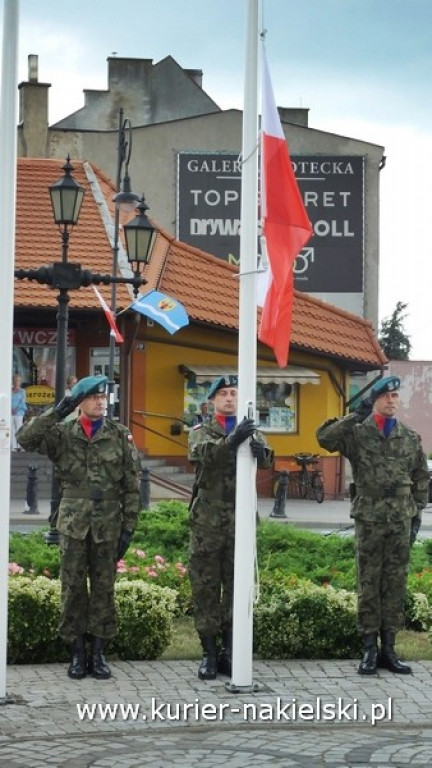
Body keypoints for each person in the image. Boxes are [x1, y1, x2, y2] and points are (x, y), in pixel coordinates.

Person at [17, 375, 141, 681]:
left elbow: (131, 486)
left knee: (103, 590)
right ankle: (76, 654)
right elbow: (26, 438)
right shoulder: (62, 434)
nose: (101, 402)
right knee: (72, 589)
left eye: (104, 397)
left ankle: (98, 654)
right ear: (80, 402)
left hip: (108, 524)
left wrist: (128, 528)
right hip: (73, 524)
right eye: (94, 397)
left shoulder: (119, 435)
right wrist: (57, 411)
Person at [316, 375, 429, 676]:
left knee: (394, 583)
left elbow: (421, 476)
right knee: (369, 583)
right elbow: (324, 438)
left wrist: (415, 511)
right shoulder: (357, 433)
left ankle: (389, 650)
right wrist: (357, 413)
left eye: (395, 396)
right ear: (375, 399)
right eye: (386, 396)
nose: (392, 400)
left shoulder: (409, 437)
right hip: (369, 517)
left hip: (399, 520)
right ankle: (369, 649)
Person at [188, 374, 274, 680]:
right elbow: (203, 455)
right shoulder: (201, 431)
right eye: (223, 393)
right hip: (209, 520)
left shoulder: (251, 429)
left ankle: (229, 651)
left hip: (241, 517)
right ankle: (209, 653)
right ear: (212, 401)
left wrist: (260, 452)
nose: (229, 398)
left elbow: (266, 459)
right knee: (206, 587)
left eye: (234, 393)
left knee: (237, 589)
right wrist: (233, 440)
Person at [11, 374, 27, 451]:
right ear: (13, 381)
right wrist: (10, 409)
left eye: (18, 380)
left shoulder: (22, 391)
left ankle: (20, 446)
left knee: (19, 428)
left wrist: (16, 409)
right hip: (10, 412)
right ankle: (13, 446)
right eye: (15, 380)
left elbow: (22, 402)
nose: (16, 382)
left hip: (19, 412)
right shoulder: (10, 390)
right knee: (12, 429)